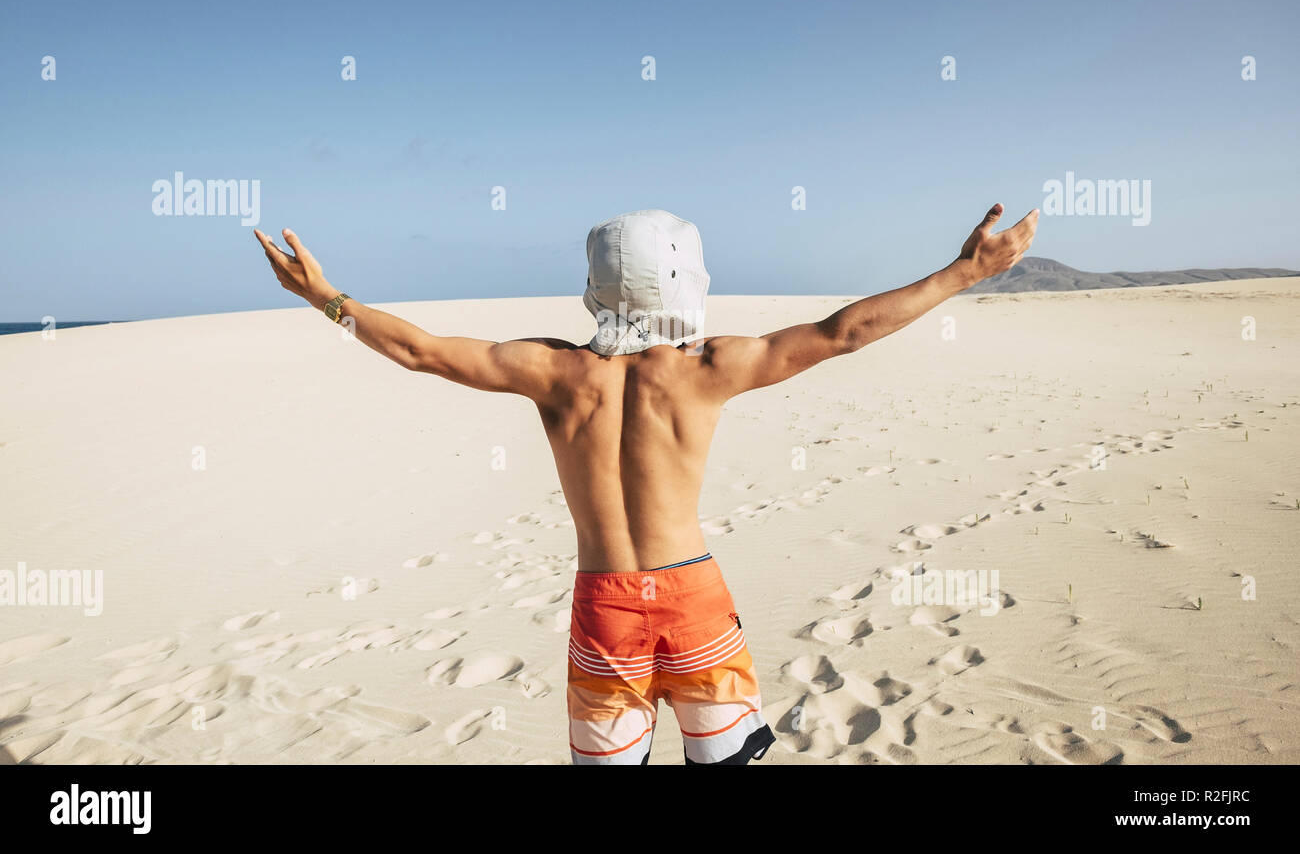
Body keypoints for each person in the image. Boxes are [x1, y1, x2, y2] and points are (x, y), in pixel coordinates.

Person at [254, 202, 1038, 764]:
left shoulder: (554, 372)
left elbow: (421, 351)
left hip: (606, 611)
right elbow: (845, 332)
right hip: (694, 600)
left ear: (596, 285)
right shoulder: (710, 369)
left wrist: (324, 297)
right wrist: (965, 271)